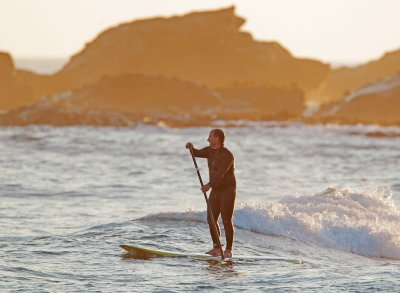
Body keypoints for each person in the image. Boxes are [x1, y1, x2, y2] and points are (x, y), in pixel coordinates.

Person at [186, 129, 236, 258]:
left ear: (217, 138)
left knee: (226, 220)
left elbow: (220, 174)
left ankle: (229, 249)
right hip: (216, 190)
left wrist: (208, 185)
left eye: (210, 137)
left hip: (227, 190)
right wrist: (191, 147)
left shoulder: (227, 155)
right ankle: (217, 248)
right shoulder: (209, 151)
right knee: (211, 219)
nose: (208, 139)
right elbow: (196, 153)